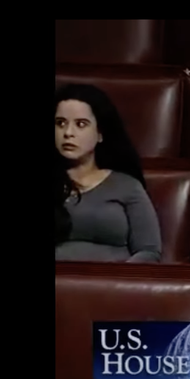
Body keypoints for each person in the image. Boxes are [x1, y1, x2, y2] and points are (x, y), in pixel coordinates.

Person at [55, 84, 162, 263]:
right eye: (60, 123)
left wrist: (117, 278)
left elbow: (149, 251)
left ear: (100, 133)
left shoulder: (127, 186)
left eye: (81, 124)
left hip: (115, 279)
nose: (68, 133)